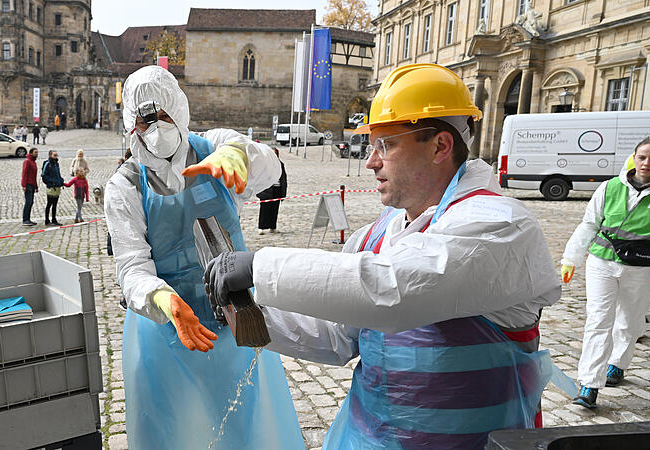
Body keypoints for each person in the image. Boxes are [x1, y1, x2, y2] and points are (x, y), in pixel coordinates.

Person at [205, 63, 561, 449]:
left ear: (441, 145)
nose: (371, 162)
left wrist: (259, 266)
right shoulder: (381, 230)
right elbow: (337, 334)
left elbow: (393, 291)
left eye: (385, 145)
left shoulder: (501, 225)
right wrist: (247, 314)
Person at [103, 65, 303, 450]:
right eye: (145, 122)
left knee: (240, 419)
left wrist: (241, 154)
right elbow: (131, 263)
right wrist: (160, 298)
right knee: (166, 426)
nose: (156, 128)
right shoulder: (125, 185)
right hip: (164, 329)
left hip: (233, 320)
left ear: (178, 110)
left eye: (163, 116)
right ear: (131, 125)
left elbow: (272, 166)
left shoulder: (216, 146)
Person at [561, 131, 650, 409]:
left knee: (630, 321)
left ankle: (618, 363)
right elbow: (589, 224)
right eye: (642, 157)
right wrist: (571, 258)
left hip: (640, 268)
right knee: (598, 321)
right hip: (602, 262)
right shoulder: (608, 187)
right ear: (633, 157)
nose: (646, 163)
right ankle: (589, 385)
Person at [256, 148, 287, 234]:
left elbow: (284, 178)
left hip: (277, 189)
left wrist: (283, 192)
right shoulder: (264, 165)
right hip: (266, 189)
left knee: (275, 209)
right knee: (264, 209)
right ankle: (261, 227)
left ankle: (273, 226)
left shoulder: (281, 164)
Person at [41, 150, 64, 226]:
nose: (56, 157)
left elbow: (58, 174)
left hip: (57, 186)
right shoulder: (48, 164)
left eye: (57, 155)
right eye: (54, 155)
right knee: (49, 204)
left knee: (55, 205)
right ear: (50, 155)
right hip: (51, 187)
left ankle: (54, 219)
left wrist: (61, 180)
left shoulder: (56, 164)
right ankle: (47, 220)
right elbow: (44, 176)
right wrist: (51, 182)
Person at [20, 147, 39, 226]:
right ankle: (25, 219)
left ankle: (28, 219)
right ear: (31, 153)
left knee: (31, 202)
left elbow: (34, 176)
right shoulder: (27, 161)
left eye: (37, 152)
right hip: (27, 184)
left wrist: (36, 186)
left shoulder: (33, 162)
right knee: (28, 202)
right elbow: (24, 173)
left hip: (32, 184)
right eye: (35, 152)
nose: (37, 154)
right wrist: (24, 185)